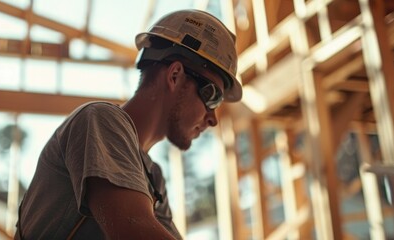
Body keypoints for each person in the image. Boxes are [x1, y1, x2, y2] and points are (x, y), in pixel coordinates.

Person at [15, 9, 242, 240]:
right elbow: (136, 232)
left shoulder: (153, 178)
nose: (213, 118)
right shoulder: (100, 121)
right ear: (175, 75)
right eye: (212, 97)